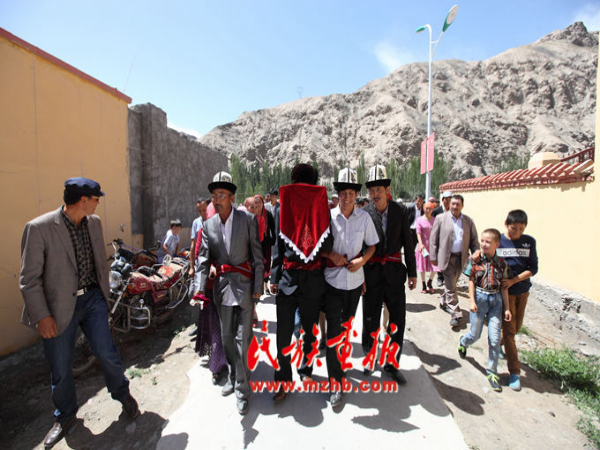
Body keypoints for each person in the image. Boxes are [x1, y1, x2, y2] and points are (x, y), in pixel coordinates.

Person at [19, 177, 139, 449]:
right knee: (60, 366)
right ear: (83, 200)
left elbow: (100, 264)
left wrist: (105, 297)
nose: (98, 203)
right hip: (58, 308)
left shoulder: (93, 223)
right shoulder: (39, 228)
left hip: (93, 300)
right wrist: (42, 316)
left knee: (107, 353)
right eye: (96, 199)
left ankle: (123, 395)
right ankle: (65, 417)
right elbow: (29, 280)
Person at [193, 171, 264, 415]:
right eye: (214, 196)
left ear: (232, 197)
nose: (216, 200)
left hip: (244, 288)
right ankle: (234, 376)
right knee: (227, 340)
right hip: (222, 290)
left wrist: (258, 288)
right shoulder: (208, 225)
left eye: (221, 195)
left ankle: (242, 391)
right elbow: (203, 259)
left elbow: (257, 257)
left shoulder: (247, 220)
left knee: (242, 342)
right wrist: (198, 289)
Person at [270, 163, 333, 401]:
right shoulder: (282, 208)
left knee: (308, 331)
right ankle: (282, 380)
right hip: (288, 278)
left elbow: (327, 241)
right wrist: (274, 277)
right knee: (285, 333)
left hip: (312, 278)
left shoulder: (320, 207)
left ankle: (305, 370)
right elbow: (278, 245)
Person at [321, 168, 378, 408]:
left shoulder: (364, 218)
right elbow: (317, 247)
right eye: (343, 193)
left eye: (351, 193)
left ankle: (340, 366)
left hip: (354, 283)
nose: (347, 198)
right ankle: (335, 383)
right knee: (334, 331)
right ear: (338, 194)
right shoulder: (327, 217)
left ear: (357, 195)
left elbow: (372, 246)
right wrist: (330, 255)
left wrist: (362, 260)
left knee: (345, 329)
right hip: (332, 282)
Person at [362, 165, 417, 384]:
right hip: (371, 274)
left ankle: (392, 364)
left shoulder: (400, 211)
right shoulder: (365, 213)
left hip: (394, 274)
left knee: (397, 320)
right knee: (370, 319)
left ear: (387, 190)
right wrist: (360, 277)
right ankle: (369, 358)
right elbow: (360, 248)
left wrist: (413, 272)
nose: (375, 194)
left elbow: (408, 243)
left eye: (379, 190)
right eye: (372, 190)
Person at [457, 229, 512, 392]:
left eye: (488, 242)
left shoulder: (502, 264)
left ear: (497, 244)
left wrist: (507, 309)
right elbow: (471, 281)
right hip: (480, 299)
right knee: (475, 334)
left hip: (496, 301)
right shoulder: (475, 260)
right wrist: (472, 301)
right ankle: (463, 342)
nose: (484, 244)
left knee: (494, 340)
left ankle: (492, 372)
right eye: (482, 241)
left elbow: (504, 287)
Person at [496, 209, 538, 391]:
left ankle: (497, 343)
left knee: (517, 327)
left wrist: (515, 280)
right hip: (506, 294)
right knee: (510, 332)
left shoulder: (529, 242)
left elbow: (533, 268)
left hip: (523, 291)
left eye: (521, 229)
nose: (517, 233)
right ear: (506, 224)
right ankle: (514, 371)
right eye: (514, 228)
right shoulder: (499, 241)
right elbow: (485, 253)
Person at [430, 194, 480, 328]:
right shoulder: (441, 218)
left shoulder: (468, 221)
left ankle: (443, 301)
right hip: (446, 258)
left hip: (462, 258)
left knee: (451, 284)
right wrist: (433, 257)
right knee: (451, 287)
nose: (454, 206)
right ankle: (455, 314)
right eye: (453, 204)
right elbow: (433, 240)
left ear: (462, 206)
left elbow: (474, 241)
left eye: (458, 204)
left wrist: (476, 251)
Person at [192, 201, 227, 385]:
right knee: (214, 327)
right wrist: (210, 267)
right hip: (211, 287)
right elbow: (199, 256)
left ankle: (229, 361)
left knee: (227, 327)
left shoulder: (230, 230)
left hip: (228, 287)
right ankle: (217, 366)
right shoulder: (202, 232)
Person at [415, 202, 439, 294]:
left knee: (436, 266)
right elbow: (418, 233)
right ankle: (423, 284)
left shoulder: (435, 220)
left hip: (432, 246)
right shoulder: (419, 220)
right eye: (426, 208)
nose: (427, 210)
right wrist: (421, 244)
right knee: (422, 266)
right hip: (423, 246)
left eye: (430, 208)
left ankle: (430, 282)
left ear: (432, 210)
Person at [432, 191, 452, 287]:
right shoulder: (436, 211)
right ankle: (440, 277)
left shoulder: (453, 211)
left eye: (450, 200)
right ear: (443, 200)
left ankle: (448, 277)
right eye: (446, 199)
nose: (448, 202)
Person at [189, 198, 210, 277]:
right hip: (199, 261)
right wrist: (191, 267)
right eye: (199, 211)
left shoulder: (214, 221)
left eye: (204, 210)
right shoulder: (196, 223)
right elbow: (193, 245)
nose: (202, 213)